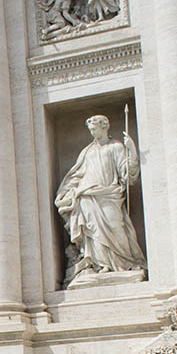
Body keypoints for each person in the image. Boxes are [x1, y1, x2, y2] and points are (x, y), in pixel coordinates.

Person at [54, 114, 144, 281]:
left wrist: (131, 150)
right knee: (93, 232)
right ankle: (101, 264)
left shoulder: (116, 147)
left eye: (94, 129)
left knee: (117, 227)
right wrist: (66, 192)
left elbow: (128, 174)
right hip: (87, 196)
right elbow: (77, 174)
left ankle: (125, 262)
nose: (92, 132)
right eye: (90, 130)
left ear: (104, 127)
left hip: (109, 194)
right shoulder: (87, 151)